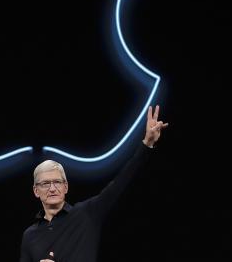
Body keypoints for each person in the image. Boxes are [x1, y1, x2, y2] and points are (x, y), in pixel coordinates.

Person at [19, 105, 169, 262]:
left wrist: (147, 143)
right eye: (45, 183)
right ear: (36, 191)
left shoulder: (87, 214)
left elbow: (121, 182)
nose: (52, 188)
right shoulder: (30, 235)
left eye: (57, 182)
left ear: (66, 187)